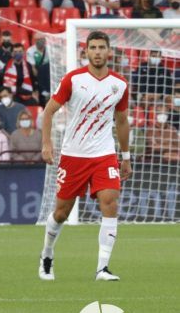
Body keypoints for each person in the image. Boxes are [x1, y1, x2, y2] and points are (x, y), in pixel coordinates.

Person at [39, 31, 131, 282]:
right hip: (73, 155)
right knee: (61, 213)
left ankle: (102, 268)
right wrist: (47, 143)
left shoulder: (120, 84)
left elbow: (122, 121)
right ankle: (46, 254)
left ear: (109, 51)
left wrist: (125, 156)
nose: (98, 51)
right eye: (93, 47)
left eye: (102, 47)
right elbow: (48, 112)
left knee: (110, 202)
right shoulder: (73, 79)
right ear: (86, 51)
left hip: (104, 154)